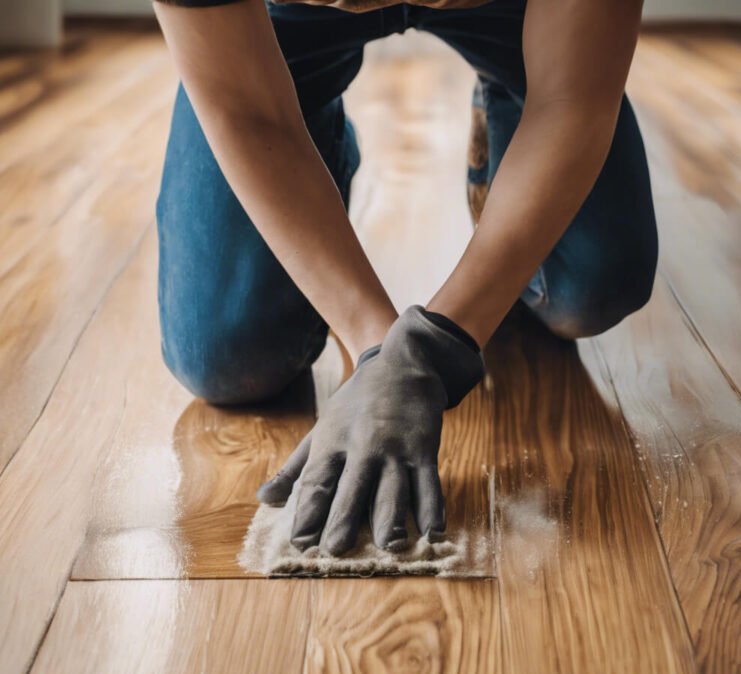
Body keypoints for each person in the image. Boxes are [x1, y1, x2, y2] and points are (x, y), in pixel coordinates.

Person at [152, 0, 657, 556]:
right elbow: (246, 108)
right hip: (282, 20)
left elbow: (570, 102)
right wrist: (378, 351)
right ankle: (313, 135)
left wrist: (428, 350)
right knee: (226, 357)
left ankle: (507, 121)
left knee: (593, 287)